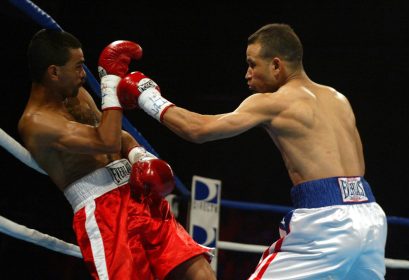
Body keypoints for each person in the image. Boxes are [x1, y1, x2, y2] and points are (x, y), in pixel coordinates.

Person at [115, 23, 388, 279]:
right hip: (371, 218)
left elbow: (197, 129)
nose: (247, 74)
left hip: (326, 223)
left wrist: (145, 95)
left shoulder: (274, 102)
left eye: (252, 65)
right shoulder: (338, 98)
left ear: (277, 65)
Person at [18, 29, 215, 280]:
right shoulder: (36, 123)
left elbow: (119, 136)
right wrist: (110, 83)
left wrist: (139, 157)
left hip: (138, 193)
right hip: (104, 214)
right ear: (54, 72)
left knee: (201, 275)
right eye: (78, 67)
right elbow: (107, 140)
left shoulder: (77, 96)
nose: (83, 74)